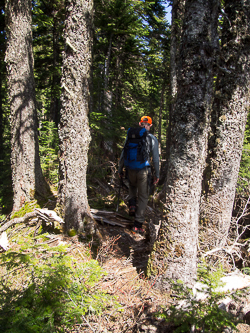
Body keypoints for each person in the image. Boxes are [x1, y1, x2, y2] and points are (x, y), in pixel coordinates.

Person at [118, 116, 160, 235]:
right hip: (143, 170)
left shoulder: (130, 136)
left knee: (132, 185)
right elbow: (156, 159)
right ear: (150, 125)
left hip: (130, 169)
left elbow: (123, 153)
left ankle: (132, 205)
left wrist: (120, 169)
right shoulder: (152, 138)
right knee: (143, 196)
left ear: (140, 124)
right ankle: (137, 225)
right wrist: (157, 174)